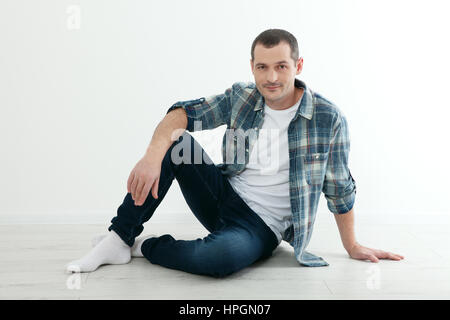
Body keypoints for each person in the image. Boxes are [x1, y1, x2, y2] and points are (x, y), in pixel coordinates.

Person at [65, 29, 404, 278]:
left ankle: (143, 246)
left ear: (298, 65)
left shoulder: (328, 118)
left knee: (219, 260)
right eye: (262, 67)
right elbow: (184, 112)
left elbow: (339, 187)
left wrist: (352, 245)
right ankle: (118, 236)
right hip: (222, 196)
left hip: (260, 226)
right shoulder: (242, 96)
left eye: (282, 67)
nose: (271, 78)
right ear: (253, 67)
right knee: (175, 143)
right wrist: (153, 155)